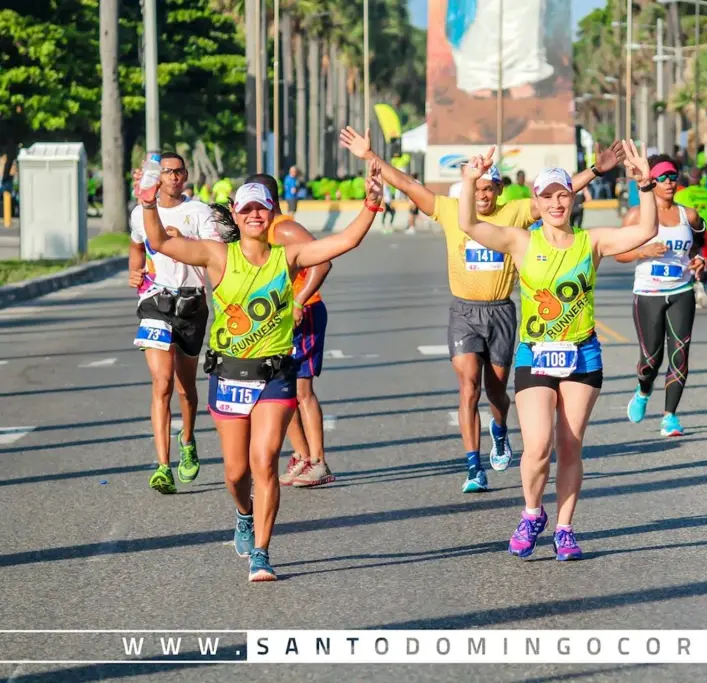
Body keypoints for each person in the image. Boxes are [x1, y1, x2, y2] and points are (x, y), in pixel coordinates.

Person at [340, 126, 624, 493]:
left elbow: (555, 196)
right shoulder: (450, 210)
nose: (484, 195)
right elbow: (409, 185)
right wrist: (369, 156)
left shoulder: (517, 213)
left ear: (499, 190)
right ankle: (473, 465)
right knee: (468, 386)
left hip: (501, 312)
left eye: (490, 189)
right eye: (478, 188)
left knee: (496, 391)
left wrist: (597, 171)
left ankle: (500, 428)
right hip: (464, 312)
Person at [135, 162, 383, 582]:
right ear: (234, 213)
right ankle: (244, 514)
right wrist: (147, 204)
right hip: (230, 374)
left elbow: (345, 241)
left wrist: (371, 205)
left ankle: (263, 553)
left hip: (275, 375)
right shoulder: (216, 255)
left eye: (262, 209)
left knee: (265, 461)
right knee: (236, 474)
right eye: (246, 208)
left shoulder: (289, 256)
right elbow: (157, 241)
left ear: (271, 214)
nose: (254, 215)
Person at [456, 140, 657, 561]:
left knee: (570, 446)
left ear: (572, 197)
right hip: (536, 354)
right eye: (547, 196)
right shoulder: (520, 242)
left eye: (562, 194)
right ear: (537, 201)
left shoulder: (591, 242)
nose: (556, 203)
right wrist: (470, 179)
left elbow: (645, 232)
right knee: (537, 447)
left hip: (582, 354)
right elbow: (472, 226)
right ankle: (532, 514)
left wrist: (645, 186)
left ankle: (564, 528)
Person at [128, 153, 222, 494]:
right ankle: (163, 466)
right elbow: (136, 246)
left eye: (179, 172)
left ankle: (187, 439)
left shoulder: (198, 212)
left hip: (192, 302)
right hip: (154, 300)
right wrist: (134, 270)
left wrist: (179, 238)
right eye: (167, 172)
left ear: (185, 176)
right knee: (162, 383)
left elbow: (215, 253)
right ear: (158, 177)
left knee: (185, 388)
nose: (174, 177)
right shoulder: (141, 212)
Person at [245, 174, 336, 489]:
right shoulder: (259, 232)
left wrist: (298, 301)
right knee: (280, 389)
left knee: (301, 390)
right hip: (279, 318)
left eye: (257, 204)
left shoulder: (283, 228)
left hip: (306, 312)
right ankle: (302, 455)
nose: (251, 211)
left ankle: (319, 461)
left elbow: (322, 262)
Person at [614, 155, 706, 437]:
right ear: (651, 181)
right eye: (663, 177)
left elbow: (698, 247)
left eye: (673, 177)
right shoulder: (636, 215)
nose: (669, 182)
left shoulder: (687, 214)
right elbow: (618, 254)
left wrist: (699, 258)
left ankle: (670, 417)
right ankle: (643, 391)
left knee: (680, 354)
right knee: (650, 359)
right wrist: (642, 252)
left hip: (681, 291)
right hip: (648, 293)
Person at [675, 168, 707, 308]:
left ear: (689, 178)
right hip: (706, 229)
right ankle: (701, 282)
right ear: (701, 178)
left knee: (689, 258)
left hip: (689, 230)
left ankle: (694, 284)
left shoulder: (681, 194)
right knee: (705, 260)